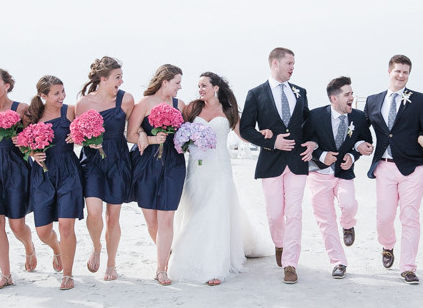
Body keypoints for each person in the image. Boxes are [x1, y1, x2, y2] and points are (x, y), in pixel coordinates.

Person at [169, 72, 272, 285]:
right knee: (196, 210)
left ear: (216, 87)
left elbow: (244, 134)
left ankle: (214, 267)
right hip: (196, 169)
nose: (200, 89)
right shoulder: (193, 108)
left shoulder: (229, 111)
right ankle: (193, 251)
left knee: (214, 214)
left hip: (219, 169)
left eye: (204, 85)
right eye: (198, 86)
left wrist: (263, 134)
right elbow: (179, 131)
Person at [0, 68, 59, 290]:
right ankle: (6, 274)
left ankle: (30, 245)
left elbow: (35, 139)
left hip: (16, 168)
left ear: (6, 86)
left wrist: (26, 146)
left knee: (17, 225)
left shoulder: (21, 109)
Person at [239, 47, 316, 284]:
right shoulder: (256, 93)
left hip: (298, 161)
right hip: (270, 162)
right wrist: (272, 141)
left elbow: (309, 123)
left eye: (294, 63)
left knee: (294, 213)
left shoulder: (300, 92)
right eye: (289, 63)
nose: (293, 68)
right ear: (275, 63)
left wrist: (313, 142)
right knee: (274, 215)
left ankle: (291, 263)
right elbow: (246, 129)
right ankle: (279, 244)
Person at [364, 54, 423, 284]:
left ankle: (408, 267)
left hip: (413, 169)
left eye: (405, 72)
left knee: (410, 217)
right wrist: (358, 146)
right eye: (398, 71)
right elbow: (362, 129)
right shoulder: (373, 100)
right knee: (384, 217)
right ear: (389, 72)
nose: (401, 75)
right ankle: (387, 246)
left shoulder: (421, 100)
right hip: (384, 166)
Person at [303, 76, 372, 279]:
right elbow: (306, 141)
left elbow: (365, 141)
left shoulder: (358, 118)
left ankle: (348, 223)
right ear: (334, 98)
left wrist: (353, 155)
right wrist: (321, 155)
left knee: (349, 204)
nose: (352, 97)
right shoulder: (315, 116)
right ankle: (338, 262)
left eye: (352, 93)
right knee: (325, 221)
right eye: (347, 94)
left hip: (343, 173)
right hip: (318, 173)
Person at [75, 57, 134, 282]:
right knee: (93, 212)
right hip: (92, 162)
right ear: (103, 79)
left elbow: (133, 129)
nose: (121, 80)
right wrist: (88, 143)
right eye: (117, 77)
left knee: (113, 217)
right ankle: (96, 245)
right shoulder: (83, 103)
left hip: (118, 160)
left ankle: (111, 264)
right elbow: (77, 136)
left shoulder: (126, 99)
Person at [127, 64, 187, 286]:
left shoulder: (180, 105)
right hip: (146, 164)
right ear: (165, 82)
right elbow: (130, 134)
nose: (180, 87)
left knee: (166, 218)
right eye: (177, 82)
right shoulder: (143, 104)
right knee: (152, 221)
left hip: (173, 163)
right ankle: (166, 252)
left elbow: (187, 131)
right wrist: (147, 136)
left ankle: (161, 269)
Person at [25, 75, 84, 290]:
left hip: (69, 170)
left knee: (67, 225)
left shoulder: (70, 110)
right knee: (42, 231)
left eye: (63, 91)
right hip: (42, 175)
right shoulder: (32, 116)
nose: (62, 96)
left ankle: (68, 274)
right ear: (43, 96)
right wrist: (32, 154)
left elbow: (86, 131)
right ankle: (57, 248)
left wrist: (78, 136)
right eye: (56, 93)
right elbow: (24, 144)